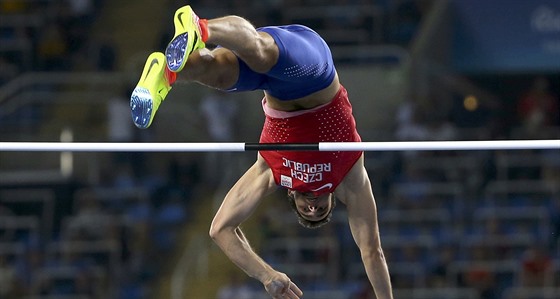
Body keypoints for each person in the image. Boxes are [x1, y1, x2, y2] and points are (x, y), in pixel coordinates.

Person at [130, 5, 393, 299]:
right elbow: (372, 251)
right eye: (321, 209)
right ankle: (199, 28)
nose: (313, 207)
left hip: (274, 88)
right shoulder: (349, 176)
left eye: (308, 211)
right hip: (312, 71)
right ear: (333, 198)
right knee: (261, 54)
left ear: (292, 195)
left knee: (215, 73)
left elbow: (221, 229)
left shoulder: (271, 172)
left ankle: (163, 74)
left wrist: (266, 275)